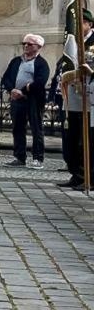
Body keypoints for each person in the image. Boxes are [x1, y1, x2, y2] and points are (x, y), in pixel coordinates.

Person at [1, 33, 50, 168]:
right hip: (16, 99)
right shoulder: (16, 61)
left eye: (29, 44)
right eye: (24, 44)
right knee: (17, 128)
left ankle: (37, 158)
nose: (26, 46)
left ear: (38, 47)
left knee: (36, 128)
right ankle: (19, 156)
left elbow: (40, 82)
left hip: (33, 99)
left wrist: (23, 91)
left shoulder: (41, 63)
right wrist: (12, 90)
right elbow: (6, 78)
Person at [59, 27, 94, 189]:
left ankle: (89, 177)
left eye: (84, 22)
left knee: (87, 142)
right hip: (73, 99)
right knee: (72, 140)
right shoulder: (72, 43)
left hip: (90, 100)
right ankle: (77, 174)